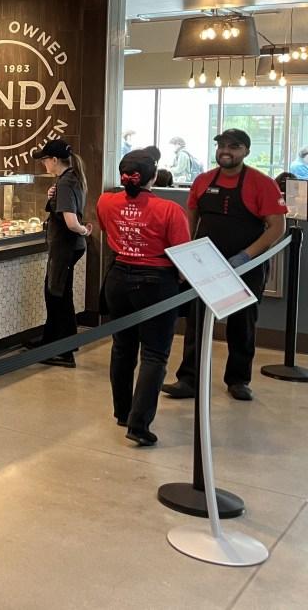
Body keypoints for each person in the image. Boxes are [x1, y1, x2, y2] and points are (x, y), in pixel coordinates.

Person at [162, 128, 288, 401]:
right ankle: (189, 379)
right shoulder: (203, 180)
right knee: (197, 321)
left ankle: (238, 380)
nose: (226, 151)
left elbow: (277, 226)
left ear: (246, 151)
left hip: (246, 265)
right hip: (205, 264)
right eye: (221, 146)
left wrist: (245, 256)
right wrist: (187, 256)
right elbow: (191, 218)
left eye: (234, 146)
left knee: (242, 324)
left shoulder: (262, 183)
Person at [96, 150, 191, 446]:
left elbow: (105, 229)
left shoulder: (105, 201)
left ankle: (123, 412)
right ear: (154, 176)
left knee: (122, 347)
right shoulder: (170, 209)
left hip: (117, 277)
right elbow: (183, 255)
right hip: (156, 282)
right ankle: (139, 424)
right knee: (154, 353)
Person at [33, 138, 91, 368]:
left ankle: (63, 351)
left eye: (45, 160)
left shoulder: (66, 182)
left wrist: (83, 230)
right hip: (70, 246)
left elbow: (70, 220)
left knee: (56, 295)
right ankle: (57, 342)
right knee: (60, 293)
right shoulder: (72, 178)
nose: (43, 164)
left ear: (55, 160)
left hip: (65, 246)